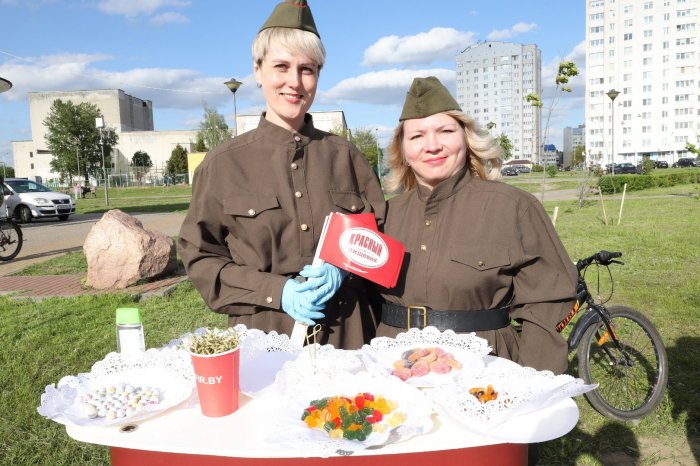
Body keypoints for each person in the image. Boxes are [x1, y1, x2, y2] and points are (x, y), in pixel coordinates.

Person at [178, 0, 386, 349]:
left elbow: (380, 239)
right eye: (281, 66)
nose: (295, 82)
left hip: (349, 338)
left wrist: (345, 267)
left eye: (307, 69)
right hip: (264, 338)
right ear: (257, 71)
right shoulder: (223, 165)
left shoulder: (348, 158)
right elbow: (200, 258)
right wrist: (277, 291)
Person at [376, 76, 577, 374]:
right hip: (394, 367)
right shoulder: (384, 215)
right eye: (417, 136)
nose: (432, 146)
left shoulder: (514, 208)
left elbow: (548, 302)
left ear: (467, 139)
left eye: (445, 131)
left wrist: (533, 381)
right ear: (402, 150)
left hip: (483, 368)